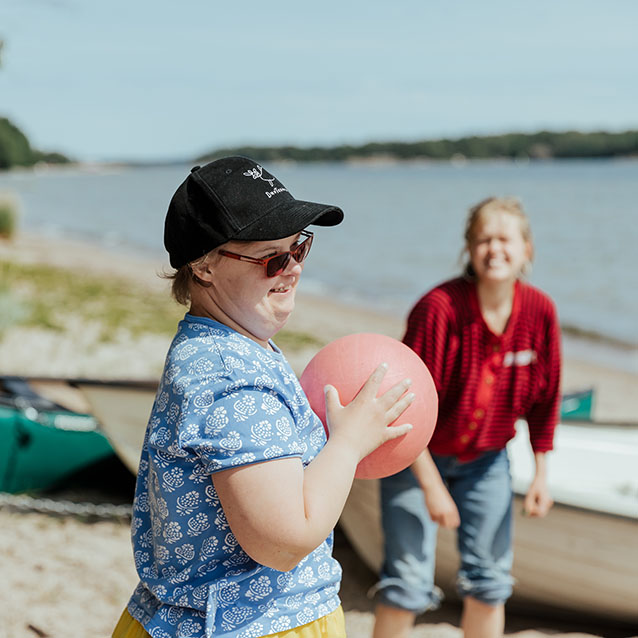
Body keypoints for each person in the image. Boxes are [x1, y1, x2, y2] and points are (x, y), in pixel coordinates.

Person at [111, 156, 415, 638]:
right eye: (272, 258)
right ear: (204, 265)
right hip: (247, 625)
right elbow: (284, 539)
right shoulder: (229, 377)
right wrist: (349, 442)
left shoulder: (224, 344)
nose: (292, 269)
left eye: (299, 248)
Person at [372, 196, 561, 638]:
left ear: (527, 248)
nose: (495, 249)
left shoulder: (541, 312)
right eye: (483, 240)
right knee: (406, 584)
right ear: (469, 249)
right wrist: (433, 488)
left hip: (487, 461)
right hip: (413, 457)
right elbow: (404, 407)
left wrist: (541, 474)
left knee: (490, 584)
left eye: (505, 239)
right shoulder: (437, 309)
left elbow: (546, 400)